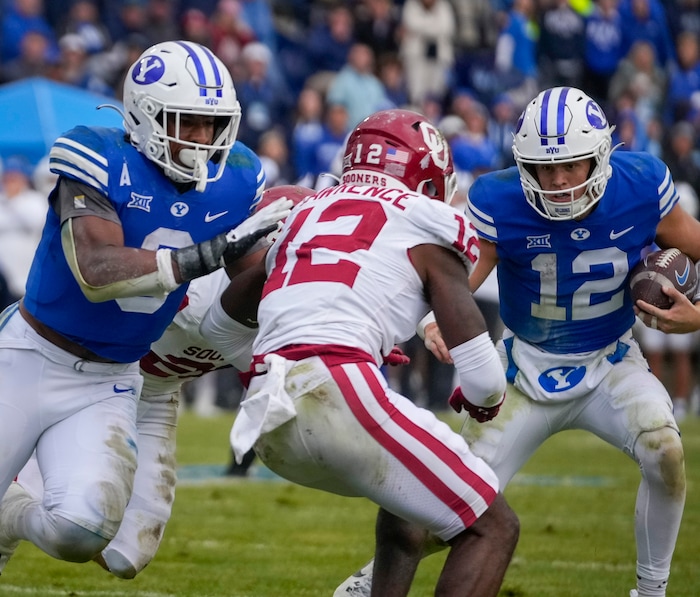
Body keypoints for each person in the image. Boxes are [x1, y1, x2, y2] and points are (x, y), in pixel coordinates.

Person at [335, 87, 700, 597]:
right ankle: (372, 582)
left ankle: (652, 591)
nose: (556, 181)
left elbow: (696, 242)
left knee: (666, 452)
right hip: (521, 373)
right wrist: (437, 320)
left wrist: (698, 315)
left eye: (571, 165)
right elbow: (454, 280)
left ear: (601, 156)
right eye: (542, 168)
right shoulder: (498, 199)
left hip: (613, 362)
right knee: (452, 504)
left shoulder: (641, 185)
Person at [0, 40, 293, 576]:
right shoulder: (98, 154)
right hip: (30, 355)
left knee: (80, 531)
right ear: (145, 115)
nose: (202, 139)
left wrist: (296, 261)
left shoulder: (238, 176)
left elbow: (249, 274)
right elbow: (96, 270)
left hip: (110, 379)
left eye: (212, 124)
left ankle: (8, 516)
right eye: (187, 122)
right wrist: (205, 255)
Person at [206, 109, 520, 597]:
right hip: (341, 389)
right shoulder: (427, 217)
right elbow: (481, 372)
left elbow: (220, 323)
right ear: (427, 175)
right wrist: (484, 399)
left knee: (409, 508)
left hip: (268, 422)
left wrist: (269, 369)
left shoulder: (305, 211)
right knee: (492, 526)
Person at [17, 184, 313, 579]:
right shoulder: (210, 292)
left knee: (126, 558)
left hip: (157, 395)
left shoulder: (287, 309)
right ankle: (16, 504)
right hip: (97, 384)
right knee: (70, 520)